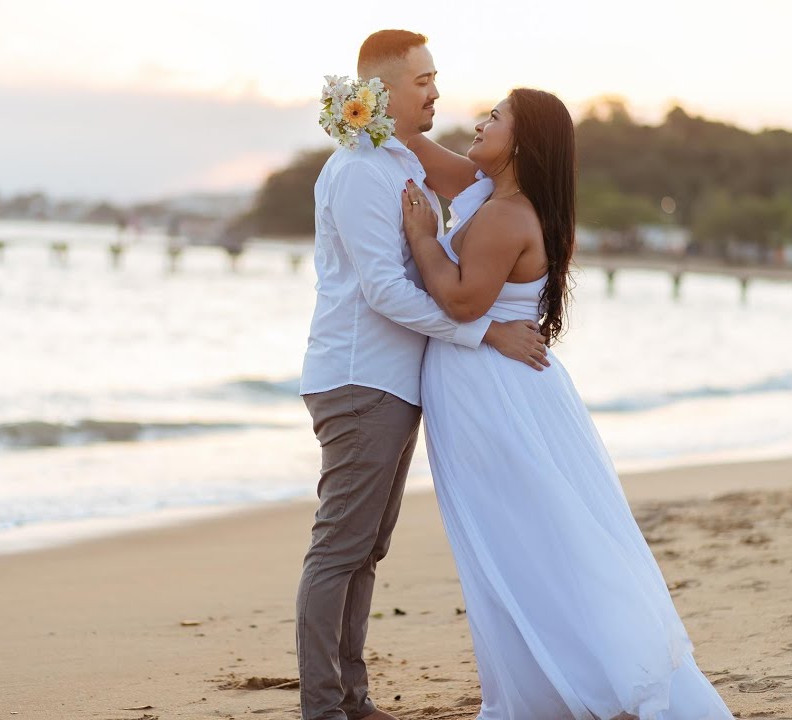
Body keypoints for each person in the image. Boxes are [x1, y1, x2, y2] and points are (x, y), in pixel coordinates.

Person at [398, 88, 735, 720]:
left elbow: (464, 301)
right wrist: (370, 110)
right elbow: (425, 153)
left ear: (521, 144)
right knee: (527, 539)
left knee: (527, 541)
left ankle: (582, 682)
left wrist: (421, 238)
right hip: (497, 390)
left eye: (495, 117)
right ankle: (551, 681)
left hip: (496, 396)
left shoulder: (505, 214)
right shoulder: (488, 192)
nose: (479, 121)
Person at [296, 30, 551, 720]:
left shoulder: (397, 159)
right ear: (379, 91)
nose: (436, 91)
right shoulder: (357, 171)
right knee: (340, 548)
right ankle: (323, 707)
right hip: (358, 379)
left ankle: (353, 697)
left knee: (366, 548)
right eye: (422, 82)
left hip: (393, 382)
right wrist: (485, 332)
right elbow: (382, 290)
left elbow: (477, 185)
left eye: (436, 79)